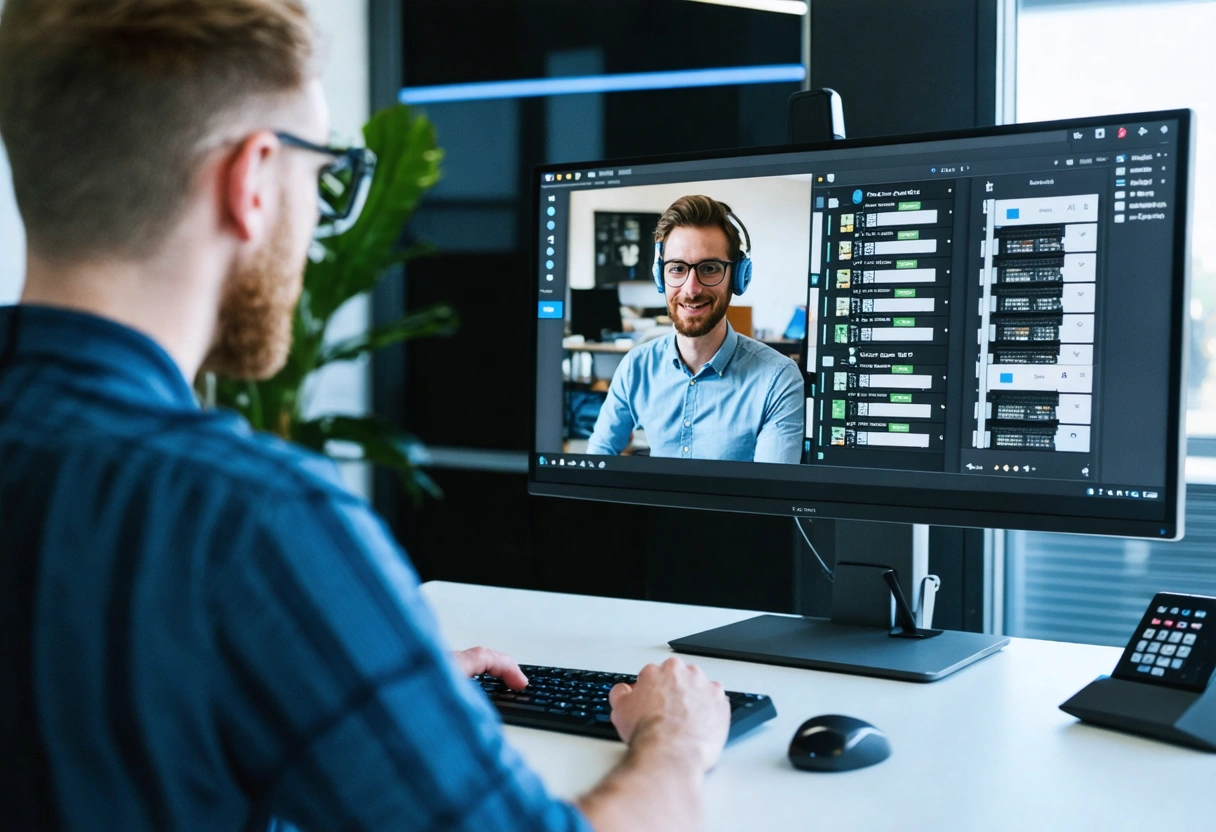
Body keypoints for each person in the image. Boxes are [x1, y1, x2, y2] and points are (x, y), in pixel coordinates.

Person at [0, 2, 729, 830]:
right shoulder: (246, 518)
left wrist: (347, 687)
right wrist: (675, 737)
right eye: (322, 175)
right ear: (254, 180)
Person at [586, 196, 805, 464]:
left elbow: (772, 495)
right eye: (677, 268)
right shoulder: (636, 367)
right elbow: (596, 460)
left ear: (738, 276)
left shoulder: (777, 379)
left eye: (709, 268)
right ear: (660, 276)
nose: (691, 289)